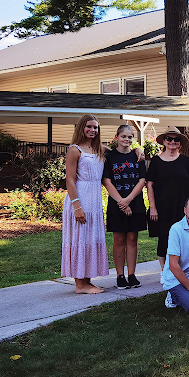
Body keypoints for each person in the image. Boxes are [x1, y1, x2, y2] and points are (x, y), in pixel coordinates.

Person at [62, 114, 109, 294]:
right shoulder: (75, 150)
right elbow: (70, 181)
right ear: (82, 127)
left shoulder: (98, 149)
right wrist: (77, 206)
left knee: (90, 239)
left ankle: (87, 281)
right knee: (80, 239)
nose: (92, 130)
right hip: (80, 200)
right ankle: (79, 285)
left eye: (96, 127)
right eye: (89, 126)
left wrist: (137, 151)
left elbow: (121, 150)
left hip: (94, 201)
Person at [102, 124, 147, 290]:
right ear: (116, 137)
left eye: (130, 137)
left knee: (132, 239)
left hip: (135, 201)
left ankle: (132, 275)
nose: (127, 140)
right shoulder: (109, 157)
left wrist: (128, 200)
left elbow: (142, 180)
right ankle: (120, 276)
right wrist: (122, 202)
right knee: (119, 240)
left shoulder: (138, 156)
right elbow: (107, 180)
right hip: (116, 203)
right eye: (123, 136)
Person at [147, 126, 189, 270]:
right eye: (169, 139)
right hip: (162, 207)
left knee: (183, 238)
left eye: (176, 139)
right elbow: (149, 185)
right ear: (164, 141)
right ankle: (165, 271)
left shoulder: (186, 161)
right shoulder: (156, 161)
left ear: (180, 143)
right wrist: (153, 208)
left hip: (182, 207)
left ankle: (182, 269)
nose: (172, 142)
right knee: (164, 239)